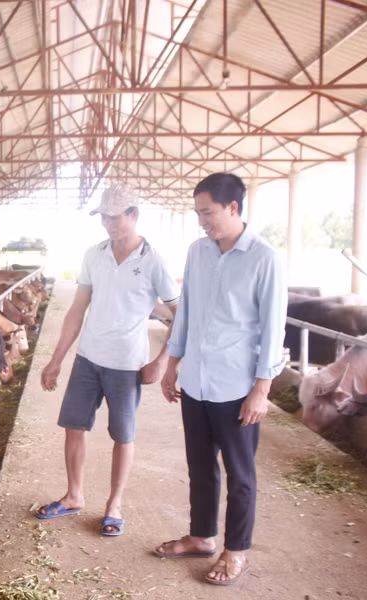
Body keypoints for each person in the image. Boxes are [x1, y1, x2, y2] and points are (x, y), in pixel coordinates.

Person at [155, 172, 287, 585]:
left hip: (236, 387)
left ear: (233, 207)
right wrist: (172, 363)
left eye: (207, 213)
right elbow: (187, 312)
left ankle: (236, 550)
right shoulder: (198, 252)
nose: (202, 221)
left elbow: (273, 329)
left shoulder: (264, 258)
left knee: (240, 474)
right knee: (199, 465)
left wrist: (261, 390)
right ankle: (201, 536)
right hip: (196, 380)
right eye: (197, 213)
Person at [35, 185, 180, 536]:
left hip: (127, 363)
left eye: (115, 217)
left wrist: (162, 361)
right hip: (88, 357)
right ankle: (74, 495)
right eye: (104, 217)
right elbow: (77, 310)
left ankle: (114, 505)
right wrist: (56, 359)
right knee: (74, 426)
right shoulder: (94, 255)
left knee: (123, 435)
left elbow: (181, 314)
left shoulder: (154, 261)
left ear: (134, 215)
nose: (109, 224)